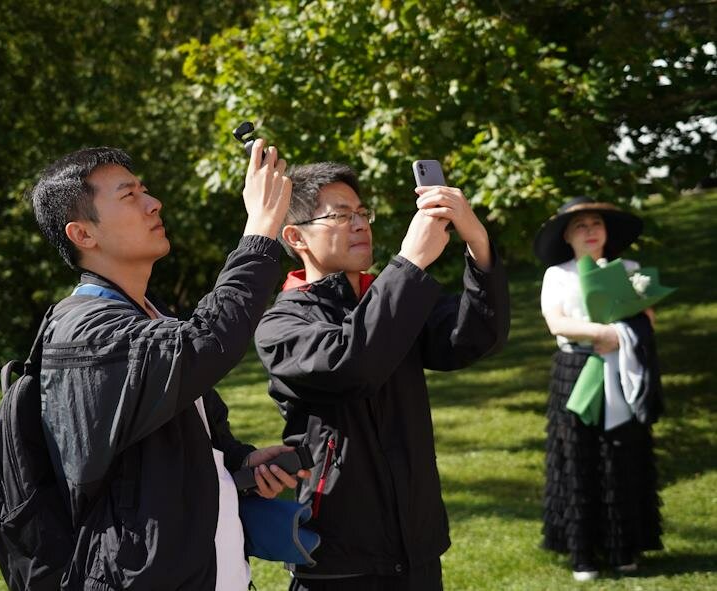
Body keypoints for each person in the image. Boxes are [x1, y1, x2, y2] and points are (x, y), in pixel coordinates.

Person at [28, 142, 308, 590]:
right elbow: (208, 341)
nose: (153, 203)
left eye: (145, 190)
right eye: (129, 195)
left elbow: (168, 438)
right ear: (83, 234)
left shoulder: (145, 316)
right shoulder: (86, 330)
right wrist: (259, 231)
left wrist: (241, 460)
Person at [253, 162, 510, 590]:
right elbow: (352, 365)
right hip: (339, 554)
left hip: (417, 545)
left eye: (361, 213)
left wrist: (477, 242)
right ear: (296, 237)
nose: (359, 225)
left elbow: (473, 337)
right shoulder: (281, 326)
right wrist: (409, 263)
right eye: (339, 215)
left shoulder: (389, 297)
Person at [534, 196, 663, 582]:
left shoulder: (631, 269)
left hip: (624, 372)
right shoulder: (559, 274)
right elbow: (556, 323)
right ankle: (583, 554)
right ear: (567, 237)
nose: (590, 232)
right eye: (580, 226)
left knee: (622, 453)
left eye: (596, 224)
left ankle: (624, 547)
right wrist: (600, 332)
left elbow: (649, 320)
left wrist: (620, 335)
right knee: (579, 456)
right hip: (577, 372)